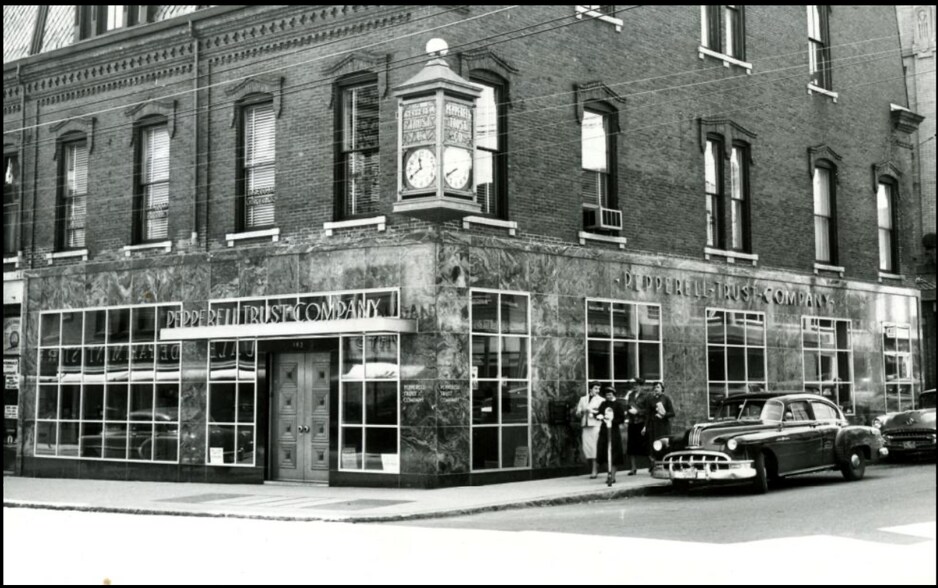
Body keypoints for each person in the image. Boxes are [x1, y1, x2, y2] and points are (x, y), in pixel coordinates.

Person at [596, 385, 625, 486]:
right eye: (607, 394)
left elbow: (622, 418)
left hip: (614, 431)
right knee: (604, 452)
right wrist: (599, 416)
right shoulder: (603, 404)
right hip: (604, 431)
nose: (608, 396)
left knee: (614, 453)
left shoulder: (618, 405)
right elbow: (599, 414)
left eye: (610, 394)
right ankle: (608, 473)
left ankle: (613, 476)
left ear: (613, 394)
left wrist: (612, 421)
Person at [643, 381, 675, 472]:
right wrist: (645, 426)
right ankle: (654, 464)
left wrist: (663, 414)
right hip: (653, 425)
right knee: (653, 444)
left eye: (658, 387)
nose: (656, 389)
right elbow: (648, 414)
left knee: (663, 444)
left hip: (663, 425)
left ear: (662, 389)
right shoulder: (650, 400)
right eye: (655, 387)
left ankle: (665, 464)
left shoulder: (666, 399)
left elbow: (672, 413)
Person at [575, 381, 605, 478]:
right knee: (587, 447)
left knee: (594, 447)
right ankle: (594, 467)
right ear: (590, 389)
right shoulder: (583, 399)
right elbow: (577, 412)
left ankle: (594, 470)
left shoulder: (601, 400)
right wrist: (581, 412)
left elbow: (602, 413)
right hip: (586, 425)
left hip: (596, 425)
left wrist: (591, 411)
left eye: (598, 389)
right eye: (595, 388)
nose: (597, 390)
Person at [624, 378, 648, 475]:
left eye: (636, 384)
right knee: (631, 446)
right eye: (633, 385)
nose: (634, 386)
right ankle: (633, 468)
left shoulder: (646, 395)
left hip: (642, 423)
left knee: (645, 445)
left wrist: (638, 412)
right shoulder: (630, 395)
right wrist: (627, 415)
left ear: (641, 385)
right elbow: (628, 407)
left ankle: (653, 465)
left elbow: (648, 410)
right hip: (632, 422)